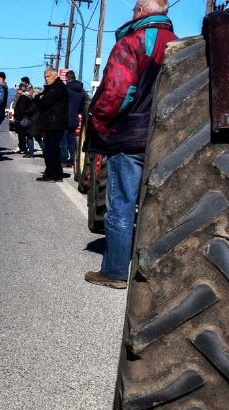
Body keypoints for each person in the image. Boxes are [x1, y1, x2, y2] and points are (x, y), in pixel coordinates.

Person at [84, 0, 177, 289]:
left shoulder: (132, 41)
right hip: (165, 137)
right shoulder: (178, 45)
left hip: (128, 136)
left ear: (139, 11)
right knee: (158, 206)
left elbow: (116, 92)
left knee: (121, 206)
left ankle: (114, 271)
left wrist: (99, 123)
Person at [33, 67, 68, 182]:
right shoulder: (52, 87)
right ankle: (55, 174)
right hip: (51, 122)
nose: (46, 79)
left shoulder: (58, 87)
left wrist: (40, 97)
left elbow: (44, 102)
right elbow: (39, 99)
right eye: (45, 77)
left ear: (55, 75)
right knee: (52, 149)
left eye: (48, 76)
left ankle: (51, 174)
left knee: (50, 150)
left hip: (55, 123)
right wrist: (40, 97)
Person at [62, 70, 85, 167]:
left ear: (67, 78)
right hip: (74, 118)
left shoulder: (65, 89)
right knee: (71, 140)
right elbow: (82, 107)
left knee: (63, 140)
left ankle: (63, 159)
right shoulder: (81, 91)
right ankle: (72, 159)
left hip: (64, 117)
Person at [13, 83, 37, 157]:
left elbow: (21, 109)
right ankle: (29, 151)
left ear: (22, 89)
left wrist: (18, 116)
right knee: (30, 136)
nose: (18, 91)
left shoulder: (23, 97)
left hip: (24, 119)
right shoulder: (28, 97)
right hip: (29, 118)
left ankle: (26, 150)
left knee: (26, 135)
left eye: (19, 89)